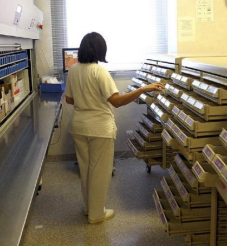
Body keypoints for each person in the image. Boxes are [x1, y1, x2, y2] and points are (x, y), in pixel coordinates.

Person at [65, 32, 165, 224]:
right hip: (99, 128)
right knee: (100, 172)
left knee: (86, 170)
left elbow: (70, 99)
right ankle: (97, 214)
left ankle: (88, 208)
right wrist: (143, 89)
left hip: (78, 126)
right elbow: (117, 101)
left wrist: (86, 97)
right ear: (101, 50)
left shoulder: (73, 70)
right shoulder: (99, 71)